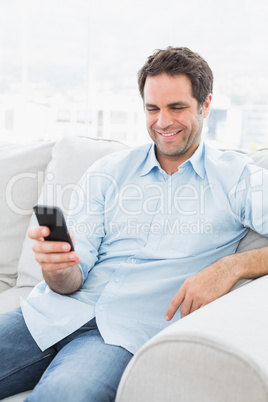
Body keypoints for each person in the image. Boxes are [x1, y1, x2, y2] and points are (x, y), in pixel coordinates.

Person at [1, 46, 268, 401]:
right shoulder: (108, 172)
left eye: (177, 108)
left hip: (121, 336)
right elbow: (70, 280)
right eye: (152, 109)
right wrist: (57, 268)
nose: (162, 122)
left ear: (205, 106)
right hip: (47, 315)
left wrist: (234, 265)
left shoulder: (237, 178)